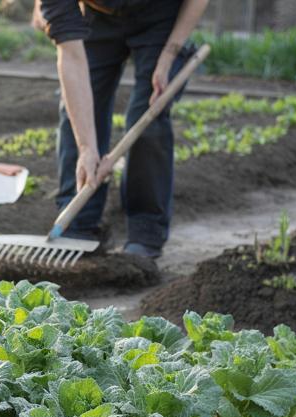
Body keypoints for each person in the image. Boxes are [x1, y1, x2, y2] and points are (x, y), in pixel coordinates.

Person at [34, 0, 209, 259]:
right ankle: (78, 224)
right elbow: (71, 56)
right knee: (78, 113)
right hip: (96, 15)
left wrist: (170, 53)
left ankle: (145, 232)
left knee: (148, 117)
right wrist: (87, 147)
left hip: (161, 14)